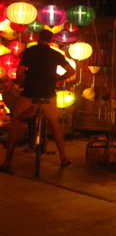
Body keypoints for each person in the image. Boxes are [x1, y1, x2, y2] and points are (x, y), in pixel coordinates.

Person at [0, 29, 75, 173]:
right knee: (55, 124)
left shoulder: (30, 51)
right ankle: (64, 158)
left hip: (30, 93)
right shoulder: (55, 54)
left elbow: (20, 73)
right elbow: (72, 72)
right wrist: (56, 80)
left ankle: (7, 161)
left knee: (16, 119)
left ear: (37, 37)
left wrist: (23, 82)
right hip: (48, 94)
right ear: (50, 39)